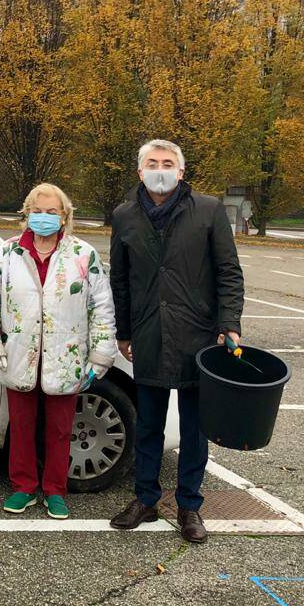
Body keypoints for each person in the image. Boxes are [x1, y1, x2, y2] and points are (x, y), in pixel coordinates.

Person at [108, 140, 244, 544]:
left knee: (193, 427)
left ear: (181, 172)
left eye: (168, 163)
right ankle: (145, 499)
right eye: (153, 163)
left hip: (196, 336)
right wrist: (124, 330)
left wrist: (229, 322)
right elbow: (121, 279)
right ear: (140, 171)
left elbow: (228, 272)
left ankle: (189, 505)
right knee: (148, 424)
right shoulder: (125, 216)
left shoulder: (207, 210)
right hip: (149, 333)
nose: (160, 169)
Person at [0, 183, 116, 519]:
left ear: (65, 216)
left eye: (52, 212)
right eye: (38, 211)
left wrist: (99, 356)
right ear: (26, 214)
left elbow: (102, 308)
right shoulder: (8, 253)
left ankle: (55, 490)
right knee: (21, 426)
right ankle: (23, 487)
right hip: (19, 354)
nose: (44, 218)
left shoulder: (83, 255)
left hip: (66, 357)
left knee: (60, 428)